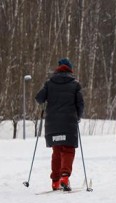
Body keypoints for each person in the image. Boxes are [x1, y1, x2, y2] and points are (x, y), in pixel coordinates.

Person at [35, 58, 84, 191]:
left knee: (56, 151)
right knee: (68, 150)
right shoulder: (75, 84)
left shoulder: (49, 83)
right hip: (69, 123)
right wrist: (77, 117)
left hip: (53, 125)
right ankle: (65, 178)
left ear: (58, 69)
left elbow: (39, 98)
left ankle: (55, 182)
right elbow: (80, 104)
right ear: (70, 69)